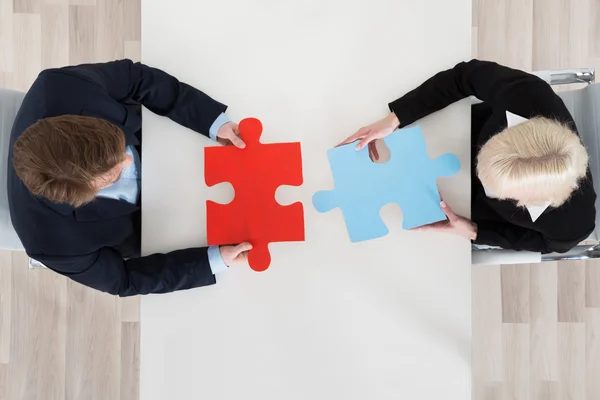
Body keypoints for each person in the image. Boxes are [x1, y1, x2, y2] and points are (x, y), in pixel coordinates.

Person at [8, 59, 252, 296]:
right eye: (113, 174)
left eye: (118, 147)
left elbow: (137, 79)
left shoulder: (58, 86)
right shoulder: (52, 246)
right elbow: (125, 280)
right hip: (158, 226)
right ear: (85, 194)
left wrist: (211, 120)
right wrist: (214, 261)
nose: (129, 160)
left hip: (166, 137)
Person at [340, 59, 596, 254]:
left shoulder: (573, 223)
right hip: (457, 133)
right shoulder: (528, 96)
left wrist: (474, 231)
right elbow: (465, 76)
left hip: (467, 207)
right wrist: (395, 119)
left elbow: (548, 244)